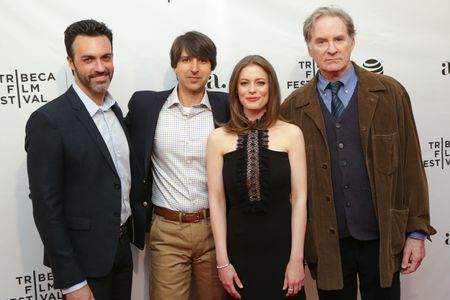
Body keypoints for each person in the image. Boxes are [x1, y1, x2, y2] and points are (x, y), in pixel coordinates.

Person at [280, 6, 436, 300]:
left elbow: (411, 167)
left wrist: (416, 232)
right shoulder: (293, 108)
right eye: (321, 42)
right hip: (327, 244)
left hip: (382, 237)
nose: (331, 49)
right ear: (309, 48)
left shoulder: (390, 94)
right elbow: (289, 187)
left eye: (339, 39)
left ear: (352, 41)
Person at [25, 19, 148, 300]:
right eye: (88, 59)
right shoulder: (48, 121)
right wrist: (71, 282)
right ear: (71, 62)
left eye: (106, 57)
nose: (100, 67)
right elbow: (46, 208)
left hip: (120, 251)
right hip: (83, 264)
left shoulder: (115, 111)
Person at [126, 31, 229, 300]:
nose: (194, 68)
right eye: (186, 60)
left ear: (211, 67)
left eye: (203, 61)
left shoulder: (227, 107)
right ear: (175, 65)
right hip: (167, 230)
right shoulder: (146, 106)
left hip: (215, 228)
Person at [206, 55, 308, 299]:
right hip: (238, 254)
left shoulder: (292, 134)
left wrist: (296, 259)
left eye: (260, 82)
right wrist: (222, 262)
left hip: (283, 253)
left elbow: (300, 198)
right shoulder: (217, 138)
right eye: (244, 83)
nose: (252, 90)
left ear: (271, 87)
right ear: (235, 89)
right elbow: (217, 202)